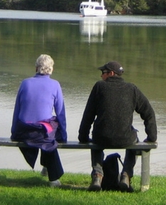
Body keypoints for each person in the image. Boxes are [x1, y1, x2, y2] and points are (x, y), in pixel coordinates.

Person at [78, 61, 157, 192]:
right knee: (134, 138)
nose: (101, 76)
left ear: (111, 74)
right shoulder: (132, 89)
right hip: (125, 138)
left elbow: (88, 115)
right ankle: (126, 174)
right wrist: (152, 137)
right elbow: (148, 112)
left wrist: (83, 137)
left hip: (101, 137)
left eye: (103, 73)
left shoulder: (99, 87)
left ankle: (97, 175)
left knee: (95, 137)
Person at [11, 54, 68, 187]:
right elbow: (61, 113)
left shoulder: (25, 83)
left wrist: (14, 131)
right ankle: (53, 178)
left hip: (24, 132)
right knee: (51, 129)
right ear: (51, 69)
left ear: (36, 68)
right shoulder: (55, 85)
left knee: (47, 131)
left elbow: (17, 110)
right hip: (42, 133)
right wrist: (63, 135)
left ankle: (46, 168)